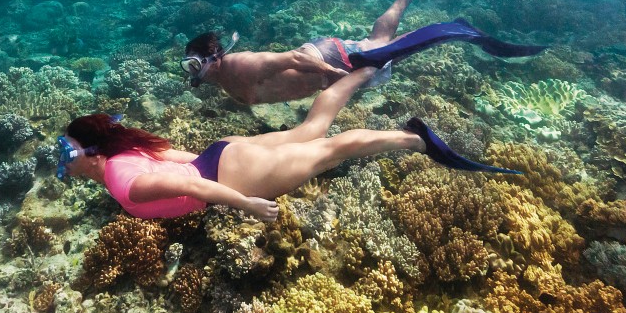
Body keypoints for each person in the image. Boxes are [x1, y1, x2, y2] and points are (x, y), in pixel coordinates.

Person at [56, 65, 521, 223]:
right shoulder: (125, 153)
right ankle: (362, 67)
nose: (64, 162)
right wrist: (234, 147)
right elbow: (179, 157)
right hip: (222, 154)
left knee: (328, 149)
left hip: (227, 176)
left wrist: (248, 205)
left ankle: (416, 140)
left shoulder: (120, 181)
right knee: (312, 130)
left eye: (67, 152)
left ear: (90, 152)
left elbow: (194, 188)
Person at [182, 0, 545, 105]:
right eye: (189, 67)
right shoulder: (223, 80)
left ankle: (454, 27)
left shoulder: (241, 64)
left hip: (328, 62)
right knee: (380, 40)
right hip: (326, 66)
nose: (192, 72)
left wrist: (341, 78)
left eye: (195, 63)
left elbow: (293, 59)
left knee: (388, 53)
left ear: (213, 56)